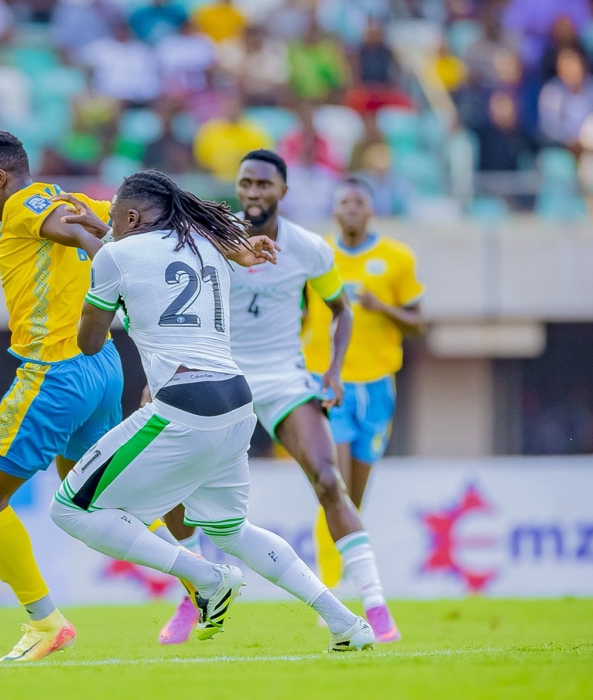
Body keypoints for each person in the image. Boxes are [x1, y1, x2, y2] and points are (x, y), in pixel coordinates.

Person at [48, 170, 374, 652]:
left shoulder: (117, 254)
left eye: (115, 214)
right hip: (236, 402)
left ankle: (206, 576)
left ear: (133, 216)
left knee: (70, 509)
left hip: (183, 403)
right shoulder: (206, 247)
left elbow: (90, 342)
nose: (111, 223)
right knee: (230, 527)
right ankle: (347, 623)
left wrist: (96, 263)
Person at [157, 150, 400, 646]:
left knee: (330, 479)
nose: (252, 192)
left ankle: (375, 606)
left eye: (264, 184)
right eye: (245, 183)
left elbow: (342, 310)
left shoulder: (309, 248)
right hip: (220, 374)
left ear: (283, 191)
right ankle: (193, 593)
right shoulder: (209, 240)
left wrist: (332, 371)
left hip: (284, 378)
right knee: (173, 486)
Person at [0, 131, 124, 662]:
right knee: (93, 500)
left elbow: (71, 233)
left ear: (0, 177)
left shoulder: (24, 204)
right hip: (101, 365)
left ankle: (44, 622)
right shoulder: (72, 197)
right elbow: (120, 217)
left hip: (55, 374)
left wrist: (111, 266)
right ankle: (200, 575)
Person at [302, 178, 425, 597]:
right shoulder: (318, 254)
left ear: (370, 209)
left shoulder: (395, 258)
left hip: (377, 388)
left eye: (358, 201)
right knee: (329, 482)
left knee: (354, 495)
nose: (351, 208)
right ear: (334, 211)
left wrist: (382, 307)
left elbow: (419, 323)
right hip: (328, 383)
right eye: (343, 202)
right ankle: (328, 586)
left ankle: (354, 575)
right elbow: (297, 314)